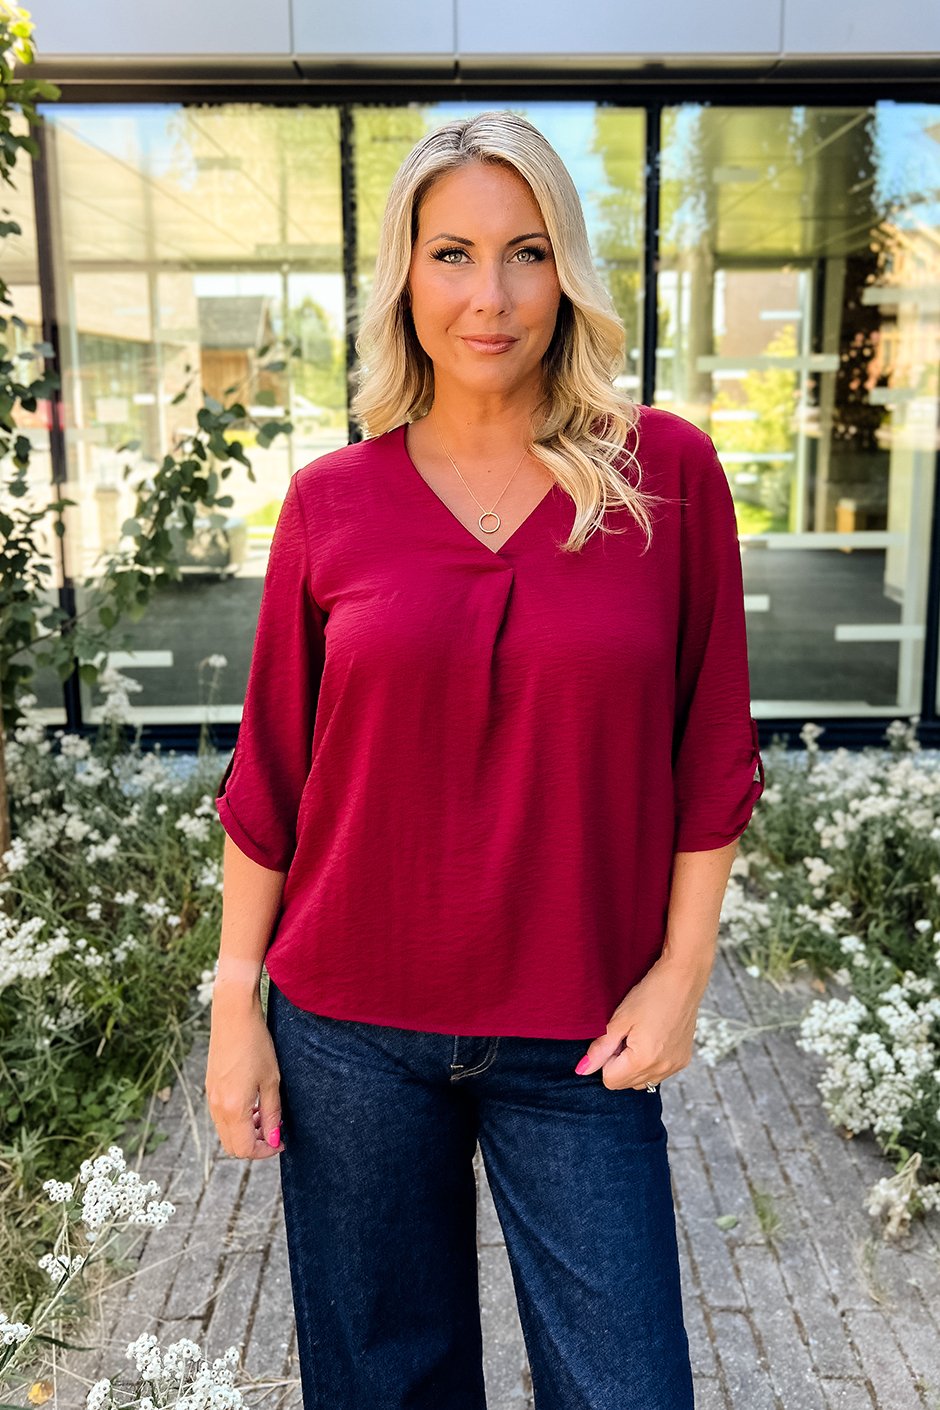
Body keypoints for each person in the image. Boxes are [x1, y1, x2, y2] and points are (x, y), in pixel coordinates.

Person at [205, 109, 765, 1410]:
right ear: (405, 275)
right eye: (452, 253)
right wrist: (237, 1005)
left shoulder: (665, 477)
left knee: (626, 1385)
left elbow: (712, 750)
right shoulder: (332, 502)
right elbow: (272, 773)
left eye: (527, 252)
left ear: (568, 270)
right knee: (383, 1386)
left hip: (581, 1025)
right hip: (349, 1029)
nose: (491, 297)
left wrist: (682, 973)